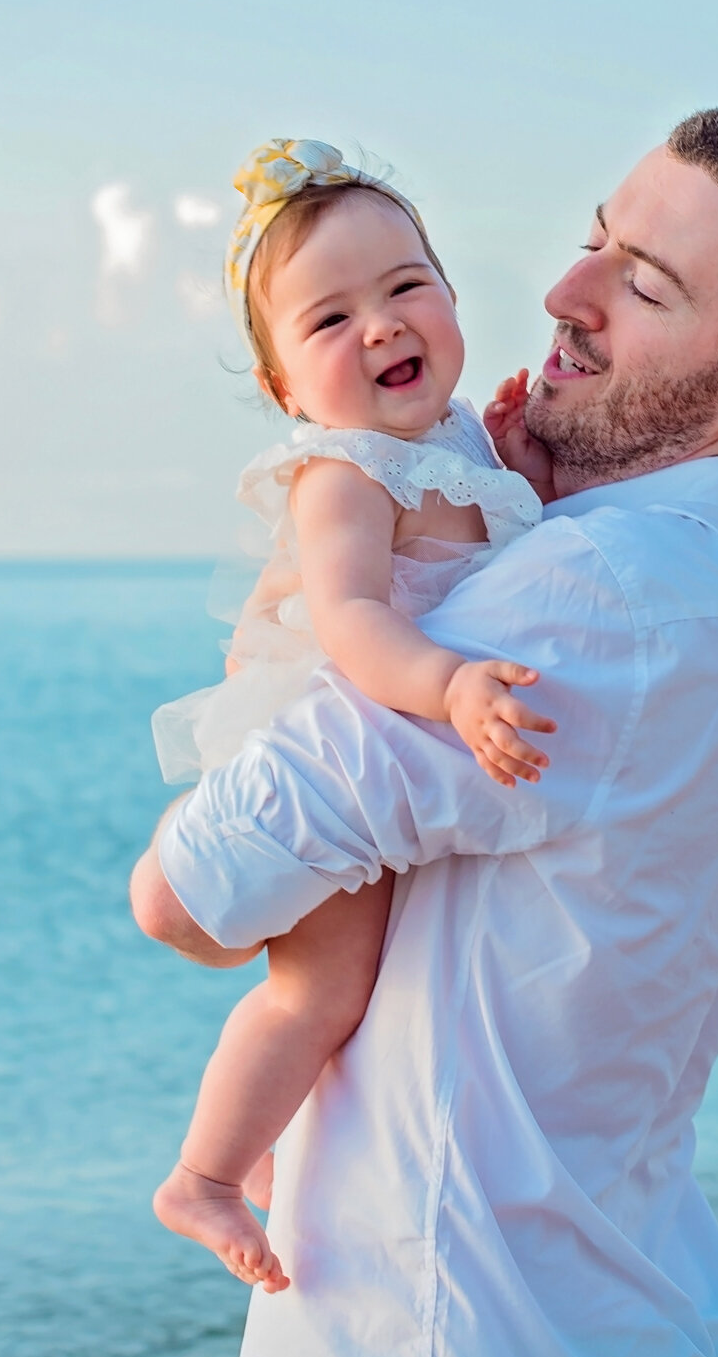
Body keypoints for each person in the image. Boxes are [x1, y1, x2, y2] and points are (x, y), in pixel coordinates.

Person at [129, 109, 718, 1357]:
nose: (566, 290)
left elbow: (190, 898)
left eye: (645, 283)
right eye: (595, 236)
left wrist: (309, 628)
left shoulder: (588, 597)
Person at [149, 140, 553, 1293]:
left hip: (394, 759)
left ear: (452, 296)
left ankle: (281, 1151)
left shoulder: (462, 438)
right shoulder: (345, 476)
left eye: (405, 287)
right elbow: (353, 621)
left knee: (369, 990)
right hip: (333, 733)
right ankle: (210, 1175)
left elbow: (504, 528)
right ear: (285, 389)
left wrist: (520, 448)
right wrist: (450, 686)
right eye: (329, 322)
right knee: (322, 989)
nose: (380, 327)